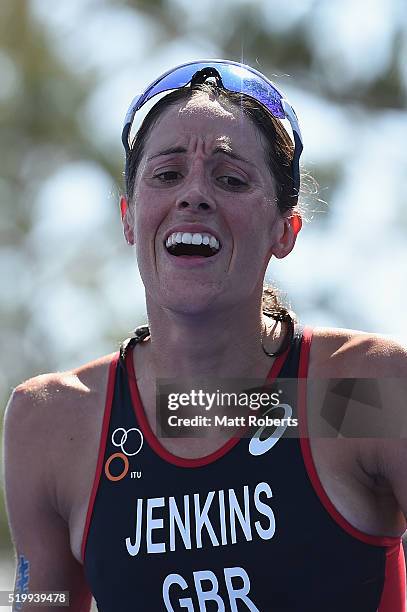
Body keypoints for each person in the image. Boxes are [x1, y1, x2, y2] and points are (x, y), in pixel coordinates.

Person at [3, 59, 407, 612]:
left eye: (230, 178)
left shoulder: (361, 391)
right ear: (129, 216)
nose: (194, 195)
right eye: (167, 174)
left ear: (284, 231)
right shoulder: (56, 421)